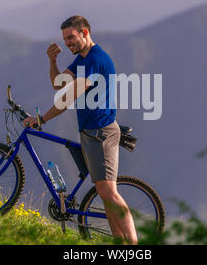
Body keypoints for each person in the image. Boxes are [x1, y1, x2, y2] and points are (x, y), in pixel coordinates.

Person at [23, 15, 138, 244]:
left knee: (109, 194)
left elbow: (67, 97)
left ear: (85, 32)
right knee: (105, 196)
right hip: (91, 133)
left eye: (71, 37)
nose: (67, 43)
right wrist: (52, 60)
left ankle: (133, 244)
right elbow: (58, 83)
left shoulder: (95, 60)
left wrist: (41, 118)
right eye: (65, 39)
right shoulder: (82, 60)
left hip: (101, 134)